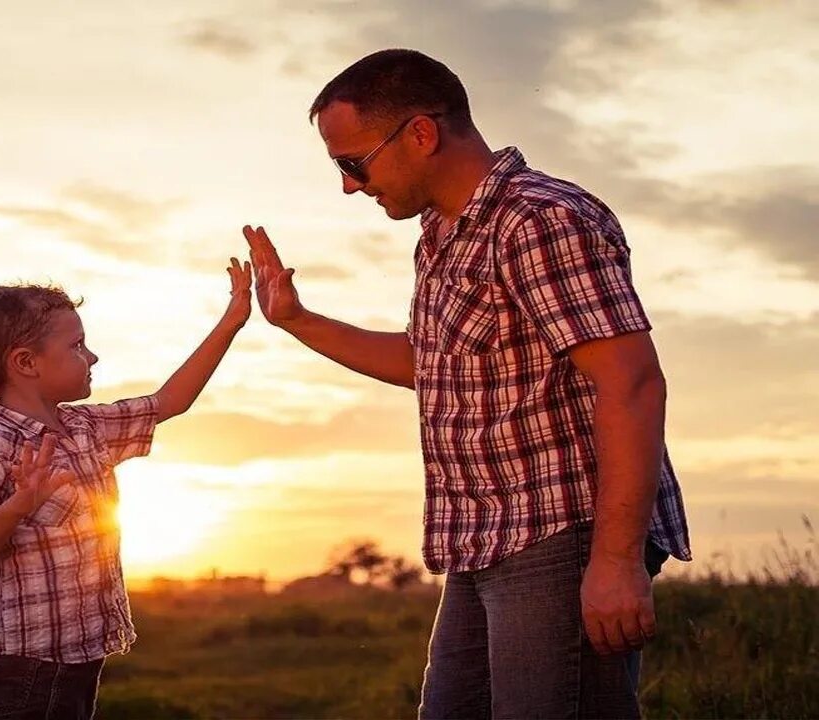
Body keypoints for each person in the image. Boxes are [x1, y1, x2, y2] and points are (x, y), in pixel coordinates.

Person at [242, 48, 691, 718]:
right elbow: (432, 365)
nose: (349, 186)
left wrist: (617, 561)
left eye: (352, 162)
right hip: (482, 539)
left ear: (421, 133)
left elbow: (632, 385)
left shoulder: (539, 219)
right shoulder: (440, 234)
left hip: (559, 535)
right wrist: (297, 321)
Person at [0, 258, 251, 719]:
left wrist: (232, 320)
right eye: (78, 346)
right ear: (25, 362)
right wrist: (19, 505)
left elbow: (169, 401)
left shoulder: (86, 427)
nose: (93, 357)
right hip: (22, 662)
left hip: (81, 653)